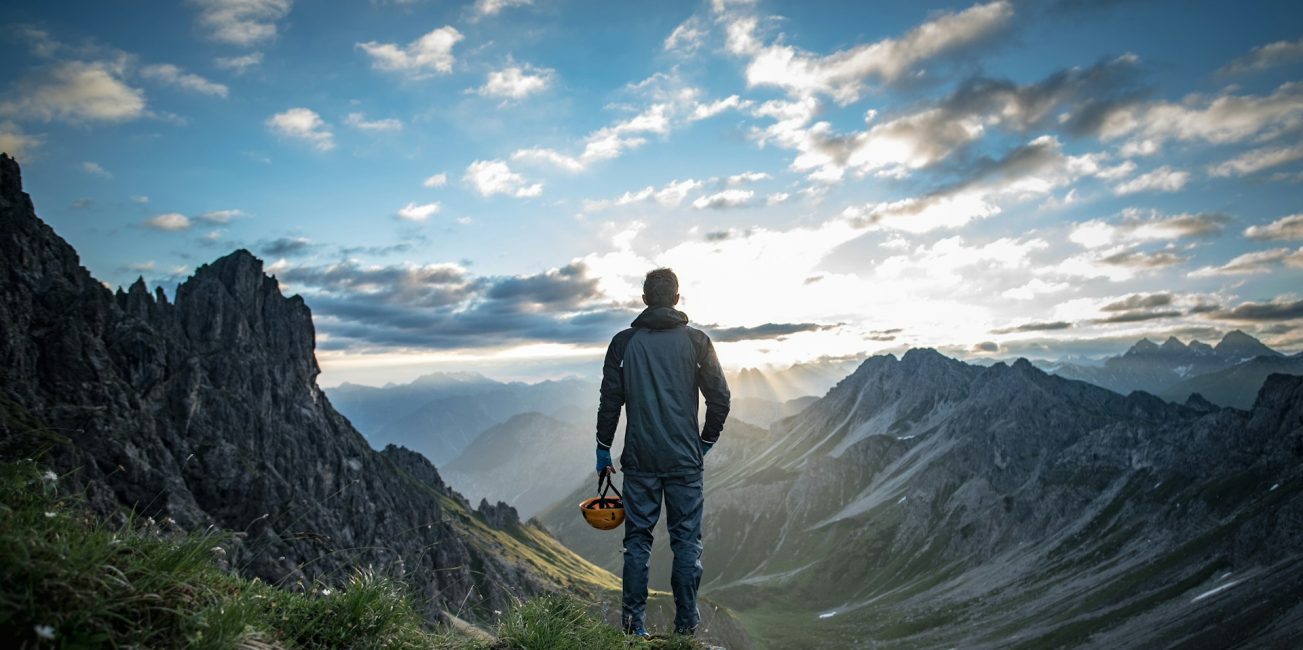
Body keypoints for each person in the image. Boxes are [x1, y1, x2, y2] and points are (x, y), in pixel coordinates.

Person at [595, 268, 730, 638]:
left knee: (637, 542)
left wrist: (603, 449)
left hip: (639, 459)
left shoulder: (623, 343)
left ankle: (632, 629)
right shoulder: (698, 342)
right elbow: (720, 399)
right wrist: (704, 441)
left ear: (643, 300)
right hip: (685, 460)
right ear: (676, 298)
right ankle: (686, 627)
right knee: (686, 541)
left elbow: (611, 401)